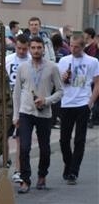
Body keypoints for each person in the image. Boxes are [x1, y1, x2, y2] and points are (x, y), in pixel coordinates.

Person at [13, 36, 63, 193]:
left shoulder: (52, 67)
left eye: (39, 48)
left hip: (44, 114)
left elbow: (61, 91)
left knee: (45, 149)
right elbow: (16, 93)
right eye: (33, 48)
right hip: (25, 112)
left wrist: (46, 100)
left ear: (43, 49)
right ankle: (25, 180)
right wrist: (16, 115)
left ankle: (42, 176)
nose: (36, 51)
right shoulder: (23, 67)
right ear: (29, 48)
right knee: (24, 147)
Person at [57, 34, 99, 185]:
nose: (72, 49)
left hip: (83, 103)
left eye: (76, 47)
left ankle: (74, 172)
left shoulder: (92, 61)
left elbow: (97, 83)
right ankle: (68, 164)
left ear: (83, 46)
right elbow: (58, 83)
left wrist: (91, 102)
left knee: (80, 140)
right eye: (71, 45)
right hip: (67, 103)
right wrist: (64, 77)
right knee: (63, 140)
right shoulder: (64, 61)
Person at [5, 34, 31, 183]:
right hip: (9, 103)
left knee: (21, 138)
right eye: (19, 48)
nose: (21, 51)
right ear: (15, 46)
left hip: (25, 104)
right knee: (5, 136)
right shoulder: (8, 60)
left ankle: (18, 169)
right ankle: (7, 160)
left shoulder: (30, 61)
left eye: (24, 49)